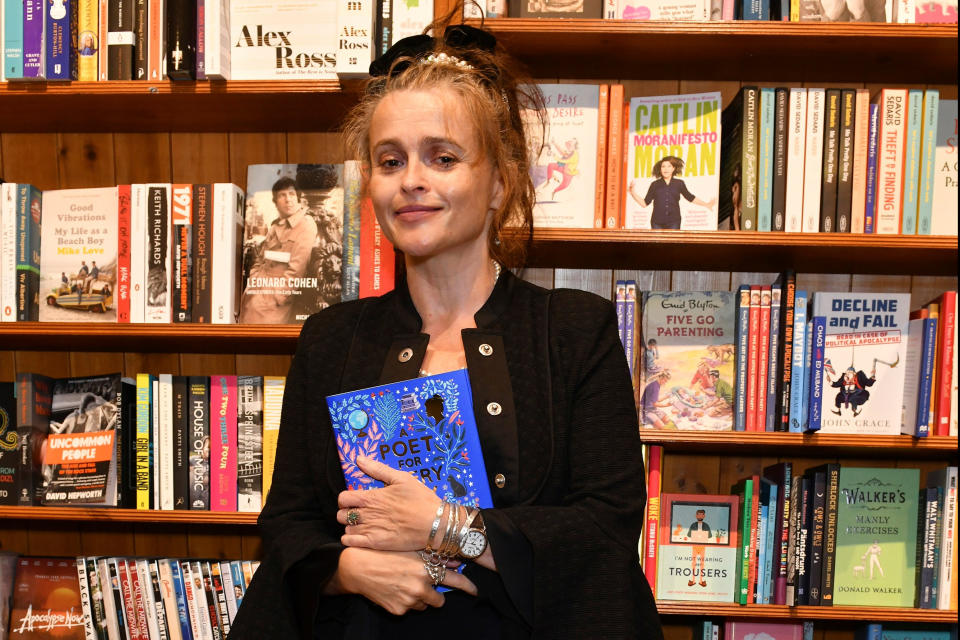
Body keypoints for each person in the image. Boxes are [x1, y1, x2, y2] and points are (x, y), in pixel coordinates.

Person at [228, 13, 662, 640]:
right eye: (389, 160)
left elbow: (607, 526)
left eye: (444, 157)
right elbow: (288, 525)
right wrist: (348, 570)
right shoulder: (331, 338)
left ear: (498, 184)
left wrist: (446, 526)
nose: (411, 181)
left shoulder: (573, 330)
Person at [238, 176, 319, 324]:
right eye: (282, 195)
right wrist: (254, 278)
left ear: (298, 198)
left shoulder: (305, 225)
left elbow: (295, 272)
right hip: (254, 290)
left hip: (273, 301)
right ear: (276, 202)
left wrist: (275, 297)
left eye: (292, 194)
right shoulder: (275, 226)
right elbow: (260, 259)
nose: (288, 199)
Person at [627, 155, 717, 230]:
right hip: (656, 222)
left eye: (669, 166)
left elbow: (690, 197)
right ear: (660, 169)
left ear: (673, 168)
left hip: (674, 221)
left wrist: (706, 204)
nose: (666, 169)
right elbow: (644, 203)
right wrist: (633, 193)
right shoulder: (654, 185)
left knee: (672, 248)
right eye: (663, 166)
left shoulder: (679, 183)